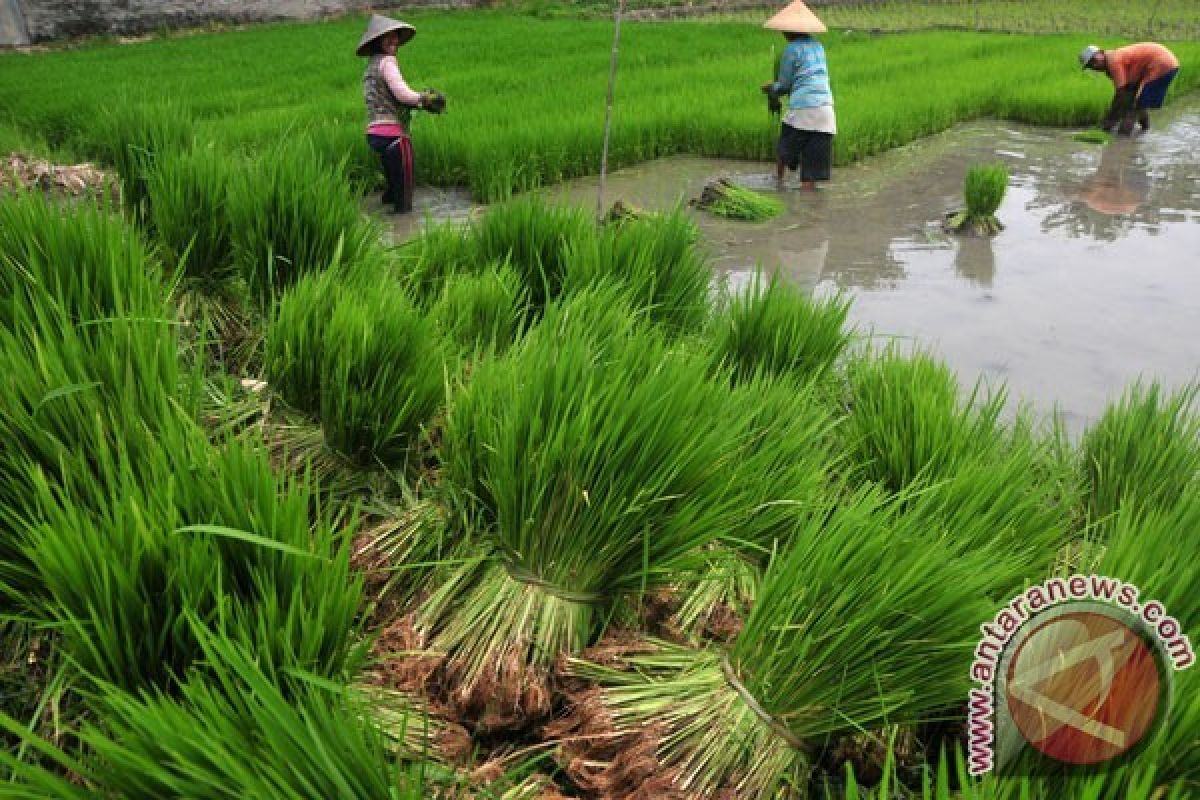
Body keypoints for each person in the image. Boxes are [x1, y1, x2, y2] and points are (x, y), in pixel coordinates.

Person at [760, 1, 836, 190]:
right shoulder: (818, 46)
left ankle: (778, 183)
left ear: (787, 31)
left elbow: (785, 85)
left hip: (803, 109)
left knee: (784, 148)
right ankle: (810, 213)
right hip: (826, 111)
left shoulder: (791, 49)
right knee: (810, 177)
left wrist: (771, 89)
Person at [357, 14, 428, 214]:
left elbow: (386, 98)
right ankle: (404, 233)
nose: (393, 40)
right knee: (404, 201)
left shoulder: (371, 65)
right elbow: (402, 94)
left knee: (392, 191)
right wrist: (425, 99)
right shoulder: (388, 62)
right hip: (394, 137)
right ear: (378, 40)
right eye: (387, 37)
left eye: (395, 36)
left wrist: (418, 103)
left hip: (375, 135)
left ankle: (384, 223)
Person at [1079, 43, 1180, 136]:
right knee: (1139, 101)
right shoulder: (1112, 60)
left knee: (1133, 108)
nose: (1094, 66)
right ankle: (1145, 130)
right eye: (1090, 65)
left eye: (1094, 61)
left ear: (1101, 53)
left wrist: (1109, 120)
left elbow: (1121, 94)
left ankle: (1122, 141)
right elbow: (1128, 91)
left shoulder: (1113, 60)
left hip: (1162, 65)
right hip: (1162, 63)